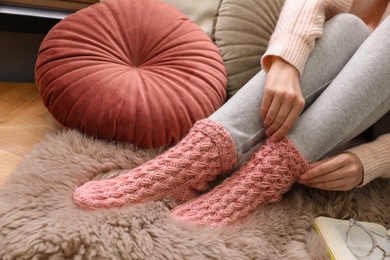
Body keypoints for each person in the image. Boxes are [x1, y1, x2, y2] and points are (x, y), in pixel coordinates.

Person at [73, 0, 390, 227]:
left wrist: (375, 159)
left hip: (368, 135)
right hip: (320, 113)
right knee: (350, 26)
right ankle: (193, 160)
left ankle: (259, 181)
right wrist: (285, 63)